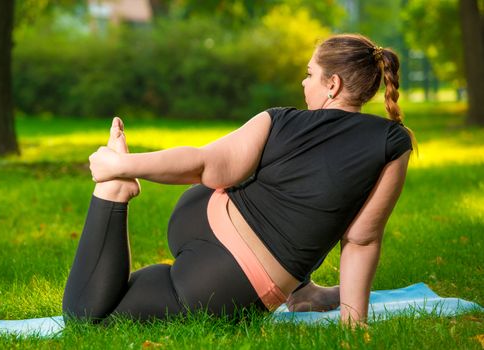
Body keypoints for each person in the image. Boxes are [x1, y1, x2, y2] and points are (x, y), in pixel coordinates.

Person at [62, 33, 414, 326]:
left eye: (309, 74)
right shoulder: (393, 141)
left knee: (84, 315)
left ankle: (114, 191)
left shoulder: (281, 120)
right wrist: (354, 324)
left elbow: (205, 165)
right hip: (238, 282)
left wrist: (122, 167)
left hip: (212, 272)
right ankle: (301, 291)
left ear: (332, 84)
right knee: (300, 200)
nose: (304, 83)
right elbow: (361, 241)